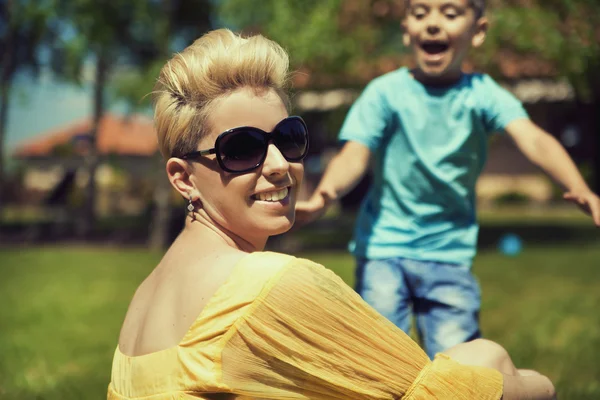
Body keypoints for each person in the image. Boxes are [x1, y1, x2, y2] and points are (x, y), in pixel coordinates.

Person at [107, 28, 556, 400]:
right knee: (489, 358)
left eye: (288, 138)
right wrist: (544, 387)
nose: (281, 165)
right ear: (183, 178)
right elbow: (437, 393)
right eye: (241, 149)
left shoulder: (141, 303)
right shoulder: (265, 286)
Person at [296, 0, 600, 359]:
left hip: (449, 253)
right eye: (420, 13)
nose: (433, 24)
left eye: (450, 13)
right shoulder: (384, 92)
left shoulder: (483, 93)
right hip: (383, 248)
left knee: (459, 367)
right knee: (379, 359)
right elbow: (354, 154)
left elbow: (532, 138)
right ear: (406, 28)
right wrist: (323, 197)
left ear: (479, 31)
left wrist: (578, 186)